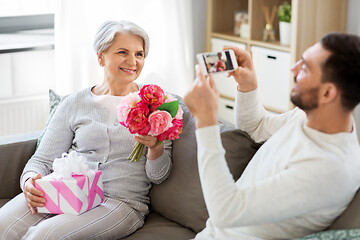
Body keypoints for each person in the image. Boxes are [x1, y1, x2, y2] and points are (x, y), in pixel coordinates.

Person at [0, 20, 172, 239]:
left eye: (139, 54)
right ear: (101, 56)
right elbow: (41, 160)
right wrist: (30, 181)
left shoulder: (156, 106)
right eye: (123, 52)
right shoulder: (74, 102)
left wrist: (155, 148)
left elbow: (159, 176)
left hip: (119, 202)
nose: (133, 61)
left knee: (44, 236)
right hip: (65, 191)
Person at [184, 32, 360, 239]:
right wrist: (248, 85)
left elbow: (226, 212)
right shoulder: (313, 117)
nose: (293, 69)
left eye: (304, 68)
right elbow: (256, 127)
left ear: (327, 93)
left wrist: (206, 122)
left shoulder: (328, 168)